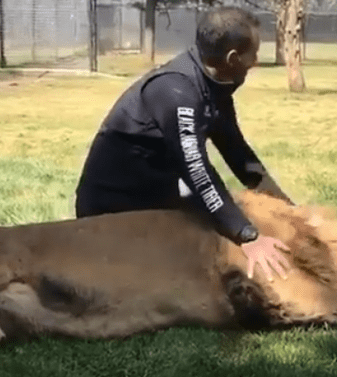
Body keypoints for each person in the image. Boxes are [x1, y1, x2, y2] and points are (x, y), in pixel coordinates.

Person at [75, 6, 295, 281]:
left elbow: (239, 155)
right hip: (114, 210)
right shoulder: (176, 91)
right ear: (233, 58)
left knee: (225, 219)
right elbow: (197, 172)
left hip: (155, 195)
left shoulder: (214, 84)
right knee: (210, 261)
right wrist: (247, 236)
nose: (257, 60)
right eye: (255, 51)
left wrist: (294, 212)